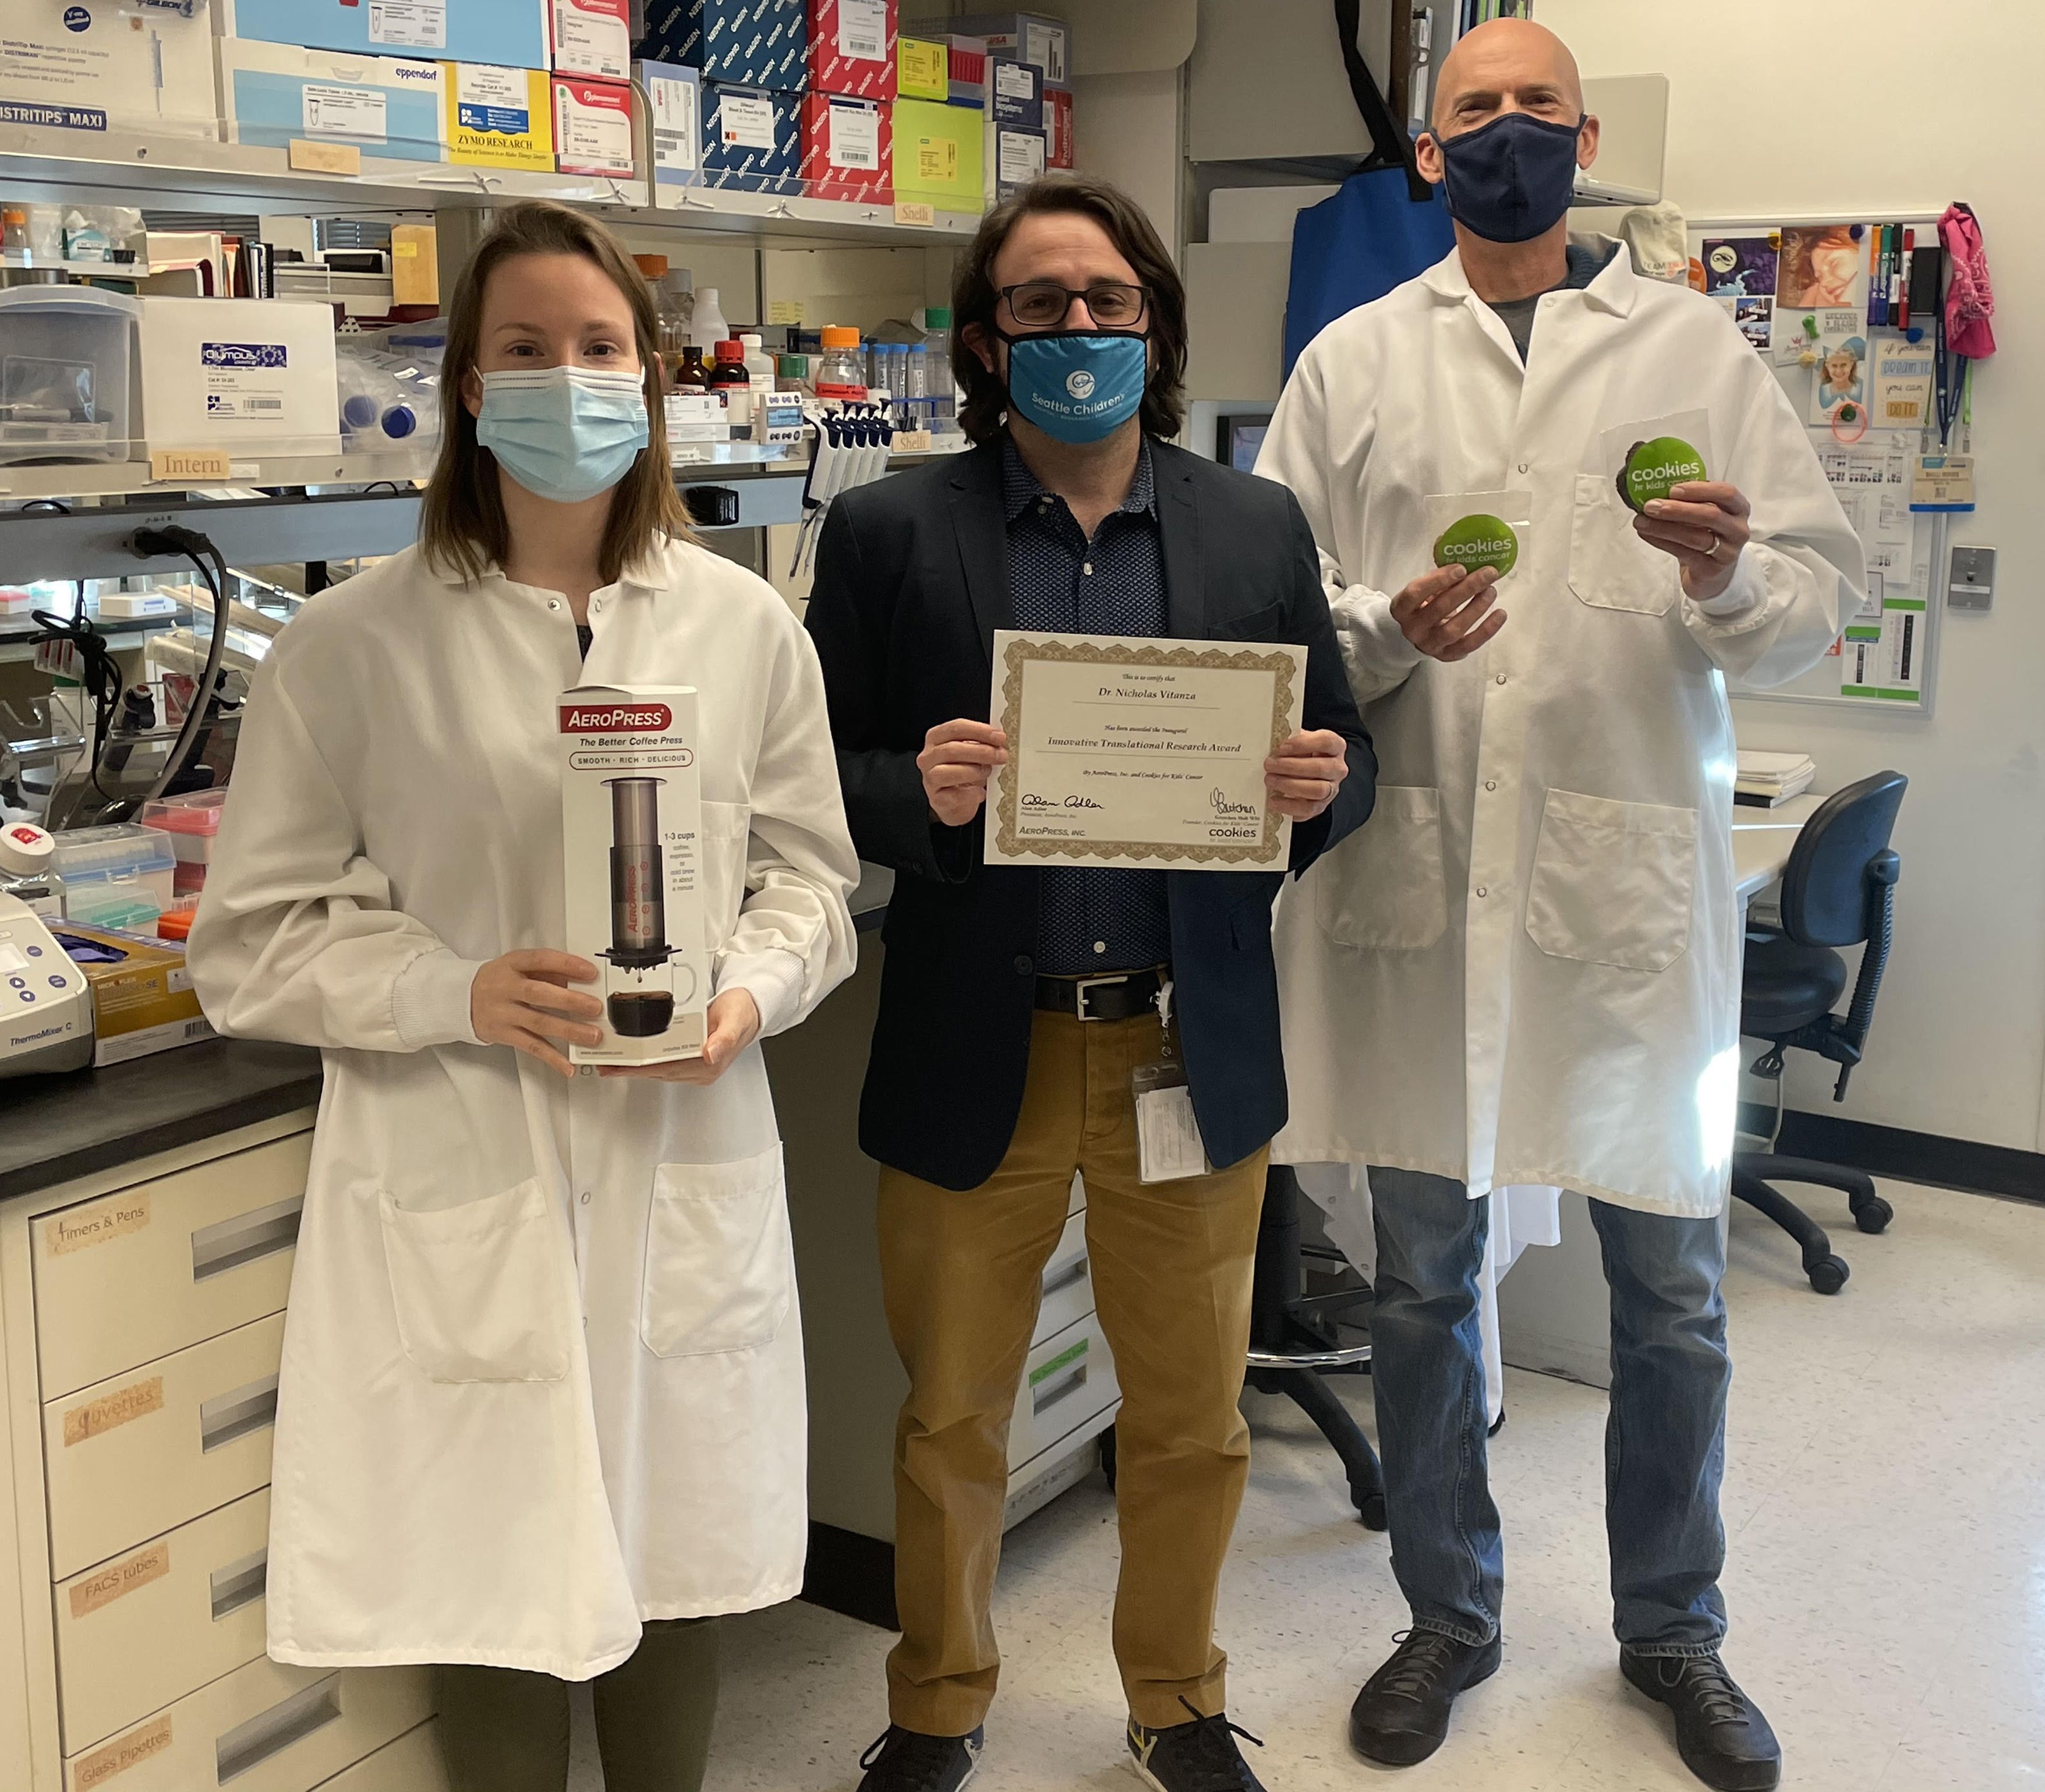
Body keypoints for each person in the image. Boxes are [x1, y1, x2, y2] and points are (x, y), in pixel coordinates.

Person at [1255, 22, 1864, 1792]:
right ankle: (1448, 1611)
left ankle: (1676, 1629)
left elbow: (1816, 597)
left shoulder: (1695, 350)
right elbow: (1280, 609)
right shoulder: (1355, 359)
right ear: (1429, 156)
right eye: (1476, 113)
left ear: (1582, 140)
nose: (1509, 133)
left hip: (1622, 904)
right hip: (1426, 887)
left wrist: (1735, 570)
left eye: (1538, 108)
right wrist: (1384, 634)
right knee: (1429, 1285)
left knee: (1670, 1286)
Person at [186, 199, 858, 1792]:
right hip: (457, 1149)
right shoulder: (349, 647)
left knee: (673, 1542)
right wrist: (453, 990)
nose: (571, 380)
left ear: (654, 373)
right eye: (527, 350)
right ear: (468, 389)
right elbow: (250, 941)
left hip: (675, 1143)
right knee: (488, 1564)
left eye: (602, 348)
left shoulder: (743, 622)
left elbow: (812, 885)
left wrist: (746, 1000)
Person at [804, 174, 1377, 1792]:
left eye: (1105, 302)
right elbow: (806, 769)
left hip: (1183, 1045)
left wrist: (1308, 787)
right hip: (973, 1031)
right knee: (949, 1422)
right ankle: (936, 1705)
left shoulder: (1252, 522)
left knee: (1193, 1419)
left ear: (1154, 324)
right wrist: (923, 794)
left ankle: (1178, 1699)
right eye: (1039, 304)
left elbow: (1351, 765)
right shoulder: (895, 528)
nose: (1075, 329)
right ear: (986, 340)